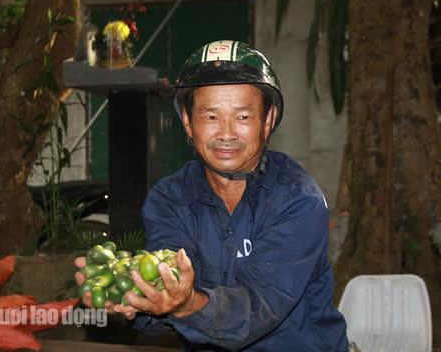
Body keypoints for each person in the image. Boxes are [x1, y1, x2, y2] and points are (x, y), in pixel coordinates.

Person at [75, 40, 348, 351]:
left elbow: (258, 310)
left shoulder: (298, 200)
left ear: (268, 120)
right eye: (211, 117)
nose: (226, 133)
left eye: (243, 117)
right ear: (189, 123)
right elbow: (165, 292)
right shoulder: (169, 199)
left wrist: (187, 304)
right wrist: (133, 299)